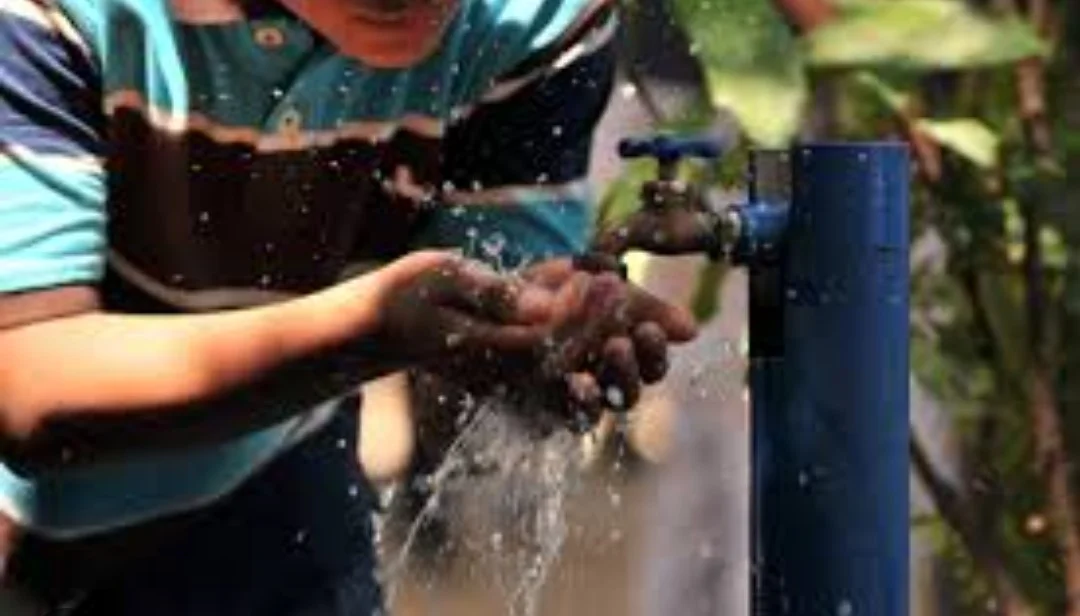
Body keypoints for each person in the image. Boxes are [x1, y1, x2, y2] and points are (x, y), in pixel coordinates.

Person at [0, 0, 700, 613]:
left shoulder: (533, 16)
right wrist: (369, 334)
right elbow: (26, 380)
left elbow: (496, 300)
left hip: (274, 470)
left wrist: (547, 335)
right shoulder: (61, 13)